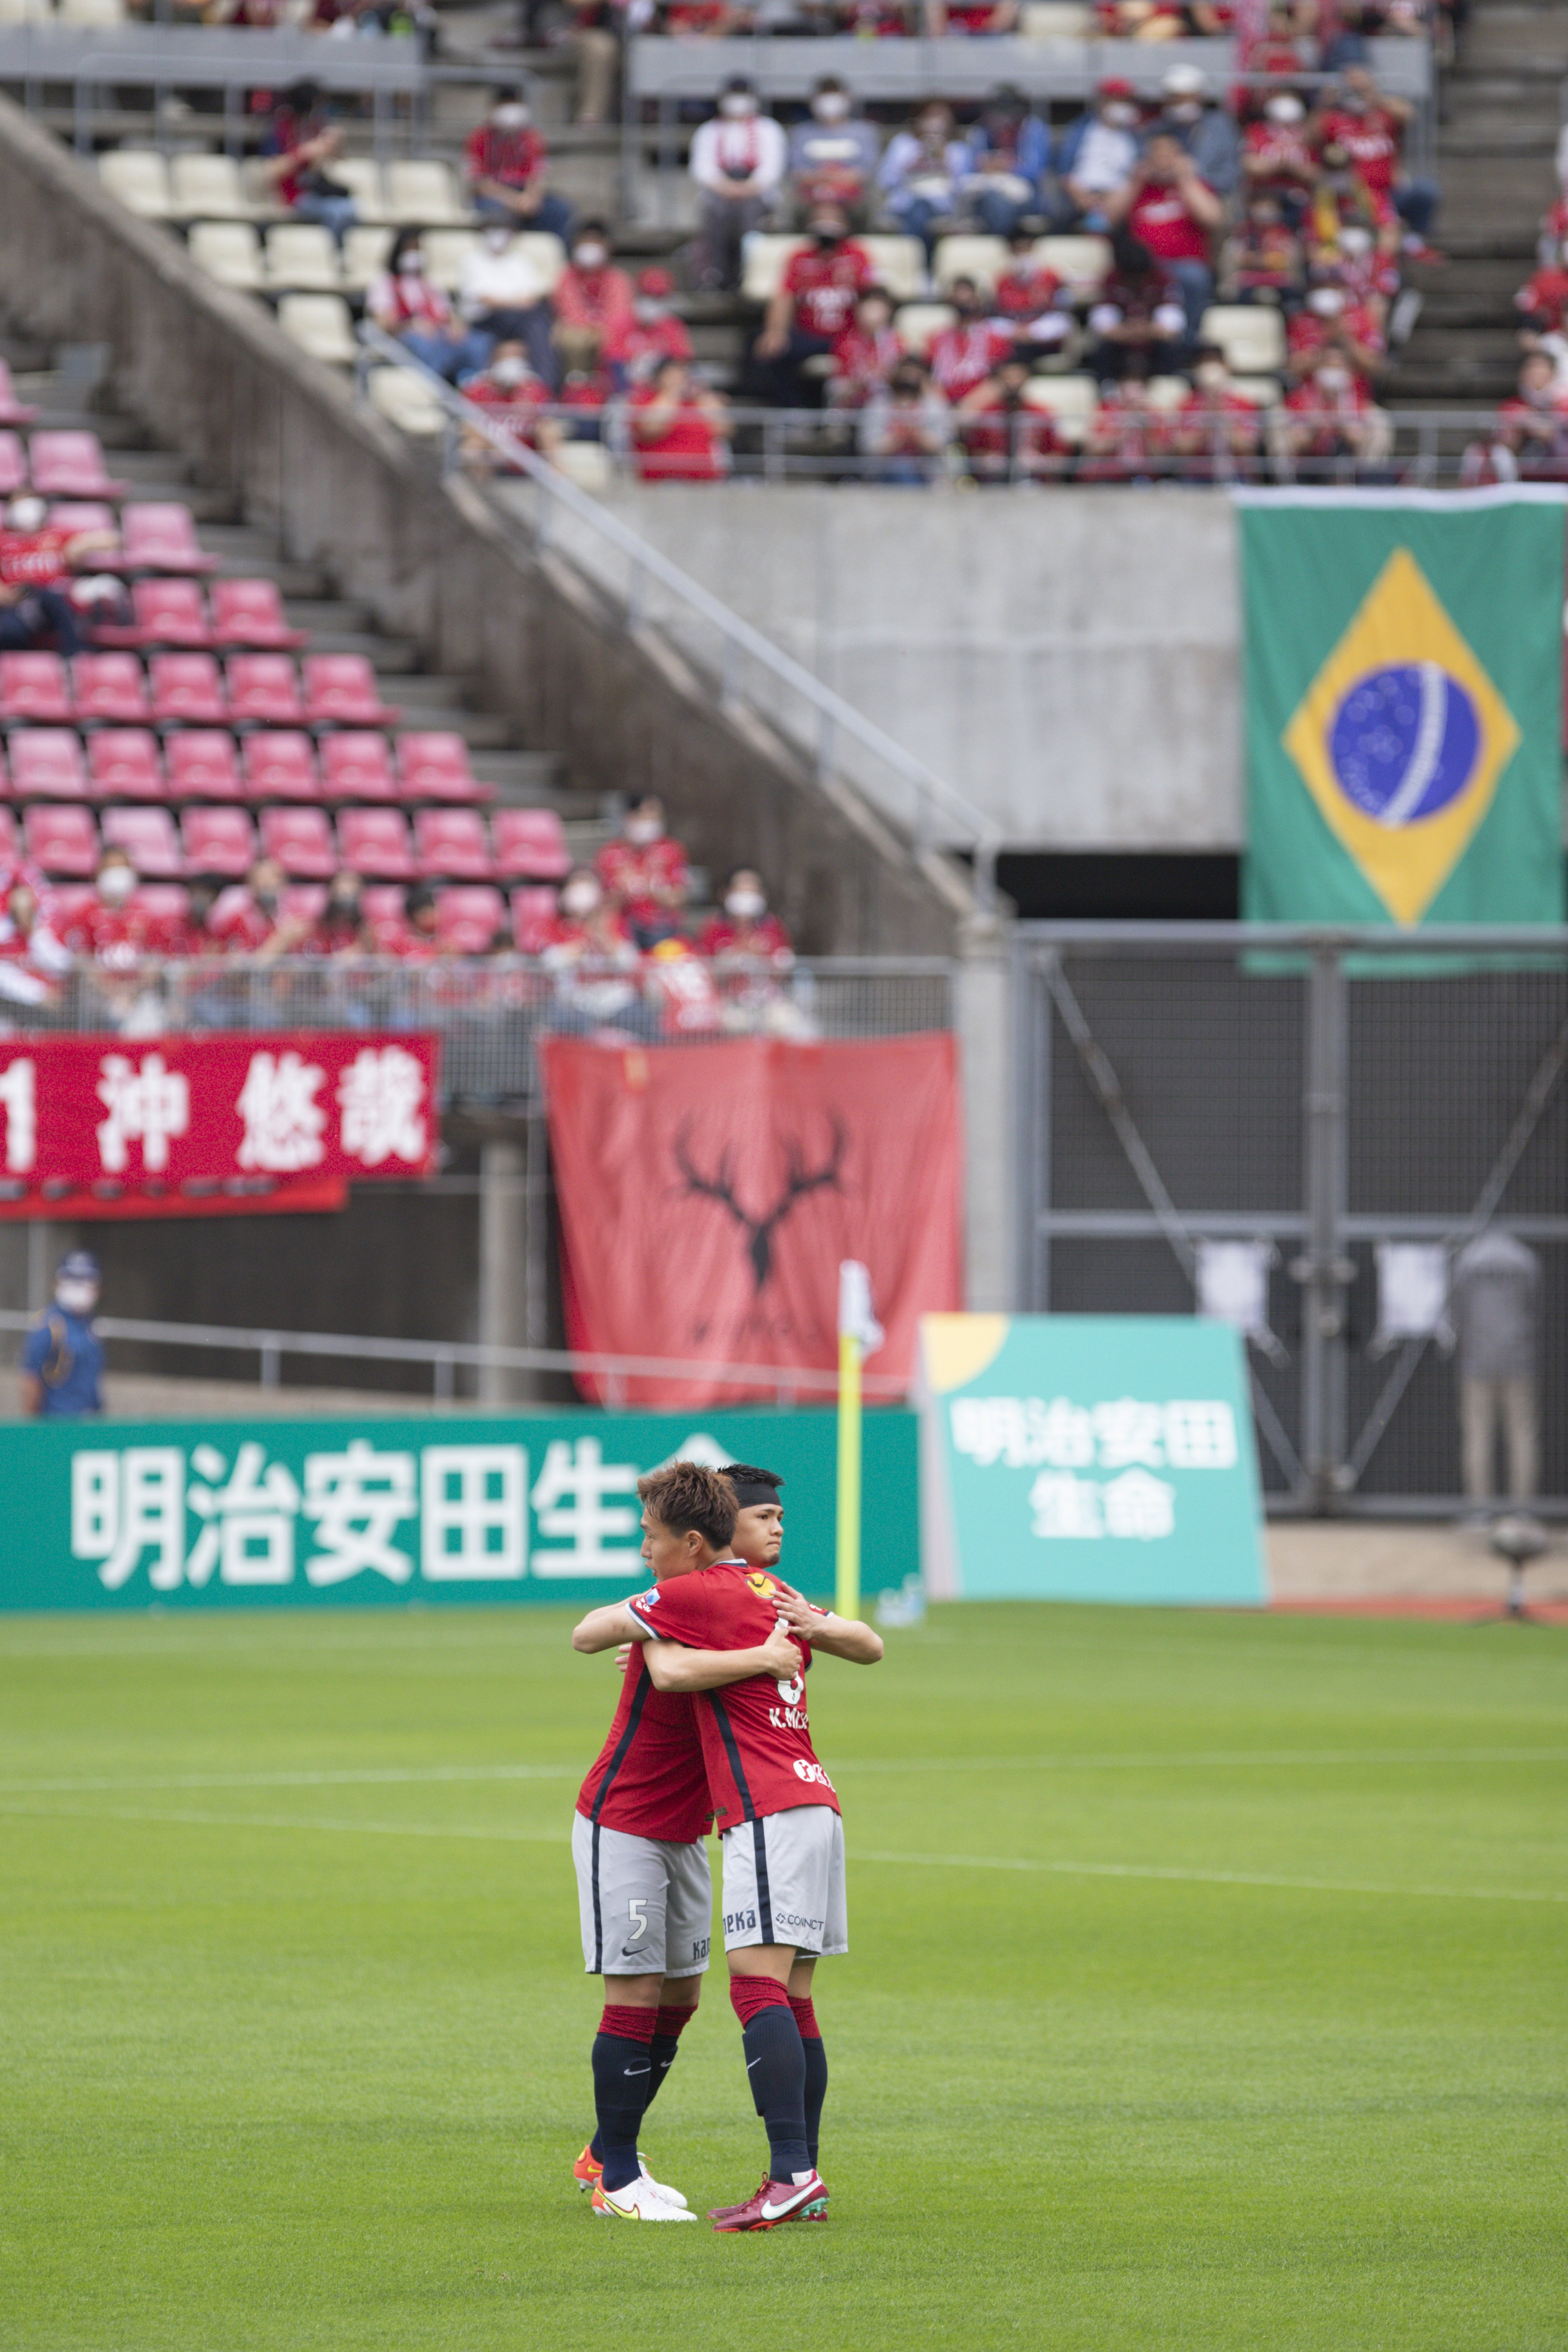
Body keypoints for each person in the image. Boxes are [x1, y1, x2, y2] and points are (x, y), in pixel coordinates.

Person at [620, 1461, 883, 2232]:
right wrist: (809, 1633)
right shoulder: (769, 1599)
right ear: (724, 1524)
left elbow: (615, 1641)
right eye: (763, 1517)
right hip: (815, 1803)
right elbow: (867, 1645)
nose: (776, 1528)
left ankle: (793, 2173)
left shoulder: (728, 1594)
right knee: (793, 1994)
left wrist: (642, 1640)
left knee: (754, 1985)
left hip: (771, 1809)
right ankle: (795, 2175)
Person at [566, 1463, 804, 2221]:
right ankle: (618, 2179)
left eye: (651, 1536)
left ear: (693, 1541)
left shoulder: (748, 1600)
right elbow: (597, 1639)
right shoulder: (672, 1601)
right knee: (634, 1992)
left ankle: (606, 2152)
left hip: (686, 1831)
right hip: (625, 1820)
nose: (642, 1548)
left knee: (681, 1996)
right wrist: (758, 1657)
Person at [1104, 131, 1223, 345]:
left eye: (1168, 155)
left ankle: (1187, 342)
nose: (1162, 161)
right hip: (1142, 267)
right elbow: (1108, 218)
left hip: (1185, 264)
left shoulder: (1194, 185)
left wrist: (1186, 179)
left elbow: (1212, 218)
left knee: (1194, 279)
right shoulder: (1138, 188)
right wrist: (1134, 182)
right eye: (1156, 155)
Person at [1450, 1232, 1541, 1508]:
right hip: (1519, 1359)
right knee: (1523, 1435)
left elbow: (1457, 1309)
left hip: (1476, 1359)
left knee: (1477, 1436)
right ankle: (1522, 1510)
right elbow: (1534, 1305)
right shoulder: (1525, 1258)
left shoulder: (1468, 1259)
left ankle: (1480, 1509)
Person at [1310, 64, 1439, 258]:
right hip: (1351, 192)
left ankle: (1410, 243)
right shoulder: (1335, 119)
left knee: (1426, 190)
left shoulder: (1382, 115)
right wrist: (1325, 103)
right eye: (1353, 88)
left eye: (1360, 88)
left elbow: (1409, 114)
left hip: (1389, 190)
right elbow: (1309, 136)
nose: (1357, 93)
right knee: (1386, 225)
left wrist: (1372, 94)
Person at [753, 206, 876, 406]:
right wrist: (775, 331)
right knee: (772, 350)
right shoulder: (799, 257)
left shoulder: (857, 255)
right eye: (820, 219)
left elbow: (873, 295)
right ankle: (792, 414)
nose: (826, 225)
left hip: (848, 334)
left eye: (832, 219)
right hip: (809, 335)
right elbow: (784, 296)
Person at [689, 77, 788, 295]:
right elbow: (702, 169)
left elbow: (772, 169)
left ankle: (747, 274)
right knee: (716, 211)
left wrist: (747, 188)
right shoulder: (708, 131)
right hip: (720, 192)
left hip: (757, 193)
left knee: (748, 214)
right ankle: (716, 275)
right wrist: (727, 188)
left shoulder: (769, 129)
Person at [0, 495, 116, 657]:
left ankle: (75, 652)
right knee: (11, 631)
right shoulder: (4, 539)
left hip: (60, 600)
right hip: (19, 602)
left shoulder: (55, 534)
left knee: (57, 596)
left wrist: (80, 546)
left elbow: (112, 539)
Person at [368, 232, 491, 384]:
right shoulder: (385, 284)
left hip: (438, 334)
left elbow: (448, 314)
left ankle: (474, 388)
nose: (414, 255)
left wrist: (456, 328)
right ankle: (434, 390)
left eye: (418, 251)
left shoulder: (429, 283)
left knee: (478, 342)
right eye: (409, 251)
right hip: (407, 336)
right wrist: (411, 325)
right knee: (423, 344)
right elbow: (384, 325)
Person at [457, 219, 558, 388]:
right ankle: (548, 387)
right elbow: (485, 300)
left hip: (519, 319)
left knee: (540, 324)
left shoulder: (520, 261)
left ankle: (546, 386)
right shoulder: (472, 260)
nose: (499, 236)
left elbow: (531, 298)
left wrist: (507, 302)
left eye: (504, 230)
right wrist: (514, 302)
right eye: (494, 229)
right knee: (536, 322)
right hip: (485, 321)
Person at [464, 88, 574, 244]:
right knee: (492, 212)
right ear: (493, 108)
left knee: (559, 210)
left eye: (515, 104)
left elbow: (538, 175)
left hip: (525, 192)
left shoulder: (533, 137)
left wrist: (531, 198)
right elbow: (479, 183)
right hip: (495, 195)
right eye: (505, 105)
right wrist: (514, 201)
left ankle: (554, 257)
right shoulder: (478, 138)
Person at [259, 82, 357, 244]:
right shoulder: (281, 127)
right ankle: (333, 254)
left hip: (316, 191)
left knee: (351, 207)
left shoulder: (316, 126)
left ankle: (346, 255)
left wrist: (332, 146)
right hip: (293, 196)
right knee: (337, 212)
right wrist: (305, 152)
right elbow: (271, 170)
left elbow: (335, 162)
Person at [876, 102, 968, 262]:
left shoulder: (958, 149)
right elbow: (884, 181)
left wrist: (946, 162)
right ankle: (918, 265)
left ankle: (923, 265)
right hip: (907, 202)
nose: (935, 122)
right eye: (930, 116)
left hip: (943, 206)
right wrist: (911, 163)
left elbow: (964, 186)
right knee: (918, 211)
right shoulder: (903, 144)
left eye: (940, 117)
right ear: (920, 119)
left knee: (924, 210)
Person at [594, 798, 690, 947]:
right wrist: (624, 890)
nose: (649, 823)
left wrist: (655, 891)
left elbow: (679, 899)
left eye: (655, 818)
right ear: (628, 817)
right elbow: (604, 904)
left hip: (663, 926)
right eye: (644, 816)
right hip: (623, 926)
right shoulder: (610, 853)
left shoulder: (671, 850)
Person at [20, 1250, 105, 1420]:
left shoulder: (89, 1326)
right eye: (72, 1281)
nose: (79, 1288)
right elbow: (30, 1381)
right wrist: (32, 1431)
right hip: (57, 1425)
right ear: (56, 1284)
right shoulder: (49, 1326)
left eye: (86, 1282)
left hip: (88, 1423)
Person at [786, 77, 881, 223]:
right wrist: (824, 181)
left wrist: (834, 179)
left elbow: (867, 172)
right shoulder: (801, 133)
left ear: (847, 99)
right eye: (824, 97)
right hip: (810, 195)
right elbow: (797, 172)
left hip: (853, 195)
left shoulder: (864, 132)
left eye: (835, 96)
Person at [960, 86, 1050, 237]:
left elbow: (1035, 170)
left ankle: (998, 245)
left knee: (998, 203)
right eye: (998, 111)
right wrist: (988, 165)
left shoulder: (1033, 129)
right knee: (989, 198)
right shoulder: (981, 130)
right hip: (985, 188)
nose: (1003, 118)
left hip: (1024, 193)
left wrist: (1008, 166)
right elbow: (969, 168)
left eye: (1008, 111)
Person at [552, 223, 636, 382]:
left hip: (608, 334)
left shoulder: (618, 279)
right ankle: (576, 386)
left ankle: (618, 391)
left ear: (607, 247)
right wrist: (590, 328)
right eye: (585, 242)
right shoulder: (566, 276)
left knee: (618, 339)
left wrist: (601, 330)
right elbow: (568, 310)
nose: (590, 248)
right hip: (579, 333)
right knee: (574, 339)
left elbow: (621, 314)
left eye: (595, 243)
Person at [1055, 80, 1143, 231]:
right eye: (1113, 100)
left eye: (1123, 101)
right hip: (1081, 198)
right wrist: (1082, 197)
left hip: (1119, 201)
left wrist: (1117, 200)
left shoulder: (1135, 135)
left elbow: (1137, 172)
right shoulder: (1080, 130)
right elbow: (1063, 169)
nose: (1118, 105)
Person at [459, 340, 559, 469]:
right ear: (495, 360)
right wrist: (495, 445)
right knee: (473, 447)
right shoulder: (476, 389)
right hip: (491, 455)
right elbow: (465, 428)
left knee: (549, 431)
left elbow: (547, 425)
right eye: (507, 357)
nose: (512, 363)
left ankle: (558, 485)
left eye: (517, 357)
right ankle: (479, 489)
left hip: (528, 456)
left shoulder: (536, 389)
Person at [627, 359, 732, 483]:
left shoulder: (698, 402)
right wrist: (672, 395)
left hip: (702, 481)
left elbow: (725, 430)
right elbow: (650, 430)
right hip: (661, 481)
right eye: (673, 375)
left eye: (683, 374)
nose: (679, 379)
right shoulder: (646, 400)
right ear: (660, 378)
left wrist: (704, 398)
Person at [859, 357, 949, 483]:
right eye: (905, 374)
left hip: (926, 472)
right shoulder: (878, 404)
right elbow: (870, 447)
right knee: (901, 469)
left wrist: (915, 432)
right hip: (884, 471)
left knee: (907, 471)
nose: (909, 378)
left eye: (915, 374)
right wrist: (899, 436)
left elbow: (940, 445)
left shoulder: (934, 406)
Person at [1159, 64, 1240, 199]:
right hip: (1168, 200)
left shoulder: (1221, 127)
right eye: (1176, 98)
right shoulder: (1159, 128)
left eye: (1188, 97)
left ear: (1200, 97)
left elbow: (1230, 174)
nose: (1182, 103)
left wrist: (1195, 174)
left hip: (1214, 197)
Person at [210, 858, 314, 958]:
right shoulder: (238, 921)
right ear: (250, 885)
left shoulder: (296, 917)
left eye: (273, 878)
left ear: (284, 883)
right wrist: (282, 939)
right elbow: (247, 967)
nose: (267, 884)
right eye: (260, 879)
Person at [929, 279, 1012, 401]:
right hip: (944, 401)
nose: (963, 300)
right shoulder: (937, 338)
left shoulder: (995, 338)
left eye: (968, 297)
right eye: (958, 297)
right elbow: (930, 376)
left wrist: (971, 404)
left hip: (982, 402)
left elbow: (1000, 379)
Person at [827, 286, 901, 408]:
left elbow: (897, 377)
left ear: (888, 312)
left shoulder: (896, 343)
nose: (873, 314)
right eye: (868, 307)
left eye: (878, 308)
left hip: (884, 401)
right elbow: (839, 377)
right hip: (853, 396)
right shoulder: (846, 341)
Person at [698, 869, 793, 963]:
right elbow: (704, 964)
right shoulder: (713, 927)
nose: (746, 898)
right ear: (726, 894)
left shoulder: (773, 926)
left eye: (752, 892)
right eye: (741, 892)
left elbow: (784, 965)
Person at [621, 269, 695, 385]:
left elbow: (682, 360)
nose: (652, 302)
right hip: (627, 390)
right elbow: (613, 362)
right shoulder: (622, 324)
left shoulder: (672, 326)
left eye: (658, 298)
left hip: (660, 390)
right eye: (648, 295)